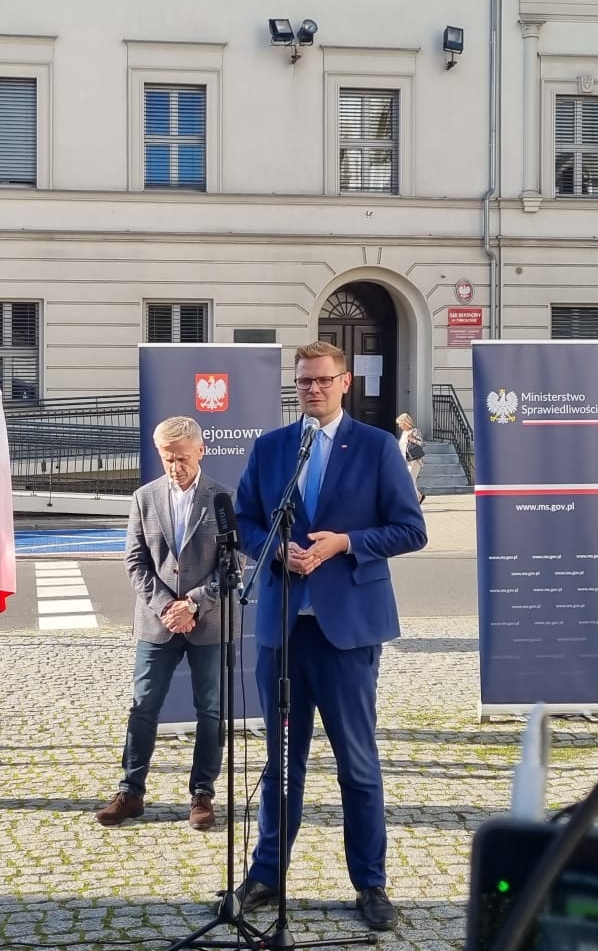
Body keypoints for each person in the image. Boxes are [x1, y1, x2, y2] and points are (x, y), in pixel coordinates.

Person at [228, 340, 427, 932]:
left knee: (357, 766)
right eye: (303, 382)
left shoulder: (376, 446)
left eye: (322, 380)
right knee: (280, 765)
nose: (312, 389)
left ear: (345, 383)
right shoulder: (272, 449)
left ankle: (370, 883)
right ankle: (267, 875)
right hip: (284, 630)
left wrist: (347, 543)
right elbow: (244, 520)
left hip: (348, 633)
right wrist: (275, 549)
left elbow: (410, 529)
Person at [97, 416, 232, 830]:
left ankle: (202, 793)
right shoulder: (144, 498)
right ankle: (130, 791)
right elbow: (135, 562)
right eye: (168, 459)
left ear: (201, 451)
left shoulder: (222, 499)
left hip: (207, 623)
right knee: (143, 706)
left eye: (183, 458)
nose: (175, 467)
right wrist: (166, 607)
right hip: (157, 624)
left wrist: (193, 604)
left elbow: (233, 564)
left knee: (211, 710)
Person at [395, 412, 427, 505]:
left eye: (400, 424)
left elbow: (422, 444)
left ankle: (415, 499)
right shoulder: (404, 433)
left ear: (405, 422)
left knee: (410, 480)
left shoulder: (415, 431)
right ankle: (418, 497)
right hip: (405, 461)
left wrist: (412, 439)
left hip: (414, 461)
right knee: (408, 481)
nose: (399, 426)